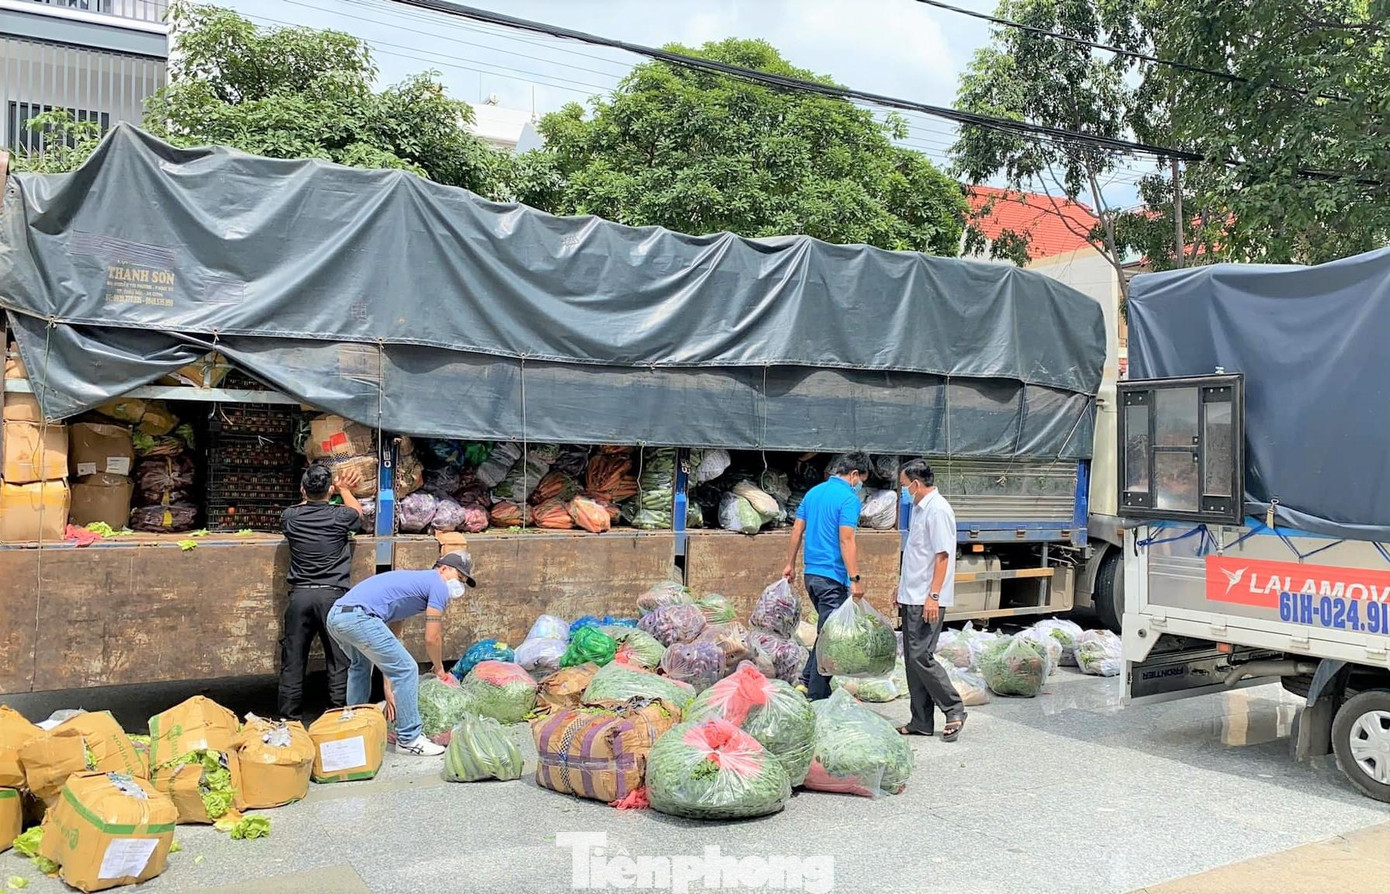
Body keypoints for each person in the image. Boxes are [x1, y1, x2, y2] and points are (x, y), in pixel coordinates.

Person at [325, 551, 478, 756]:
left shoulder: (414, 584)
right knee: (407, 669)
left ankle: (356, 726)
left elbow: (389, 644)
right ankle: (409, 739)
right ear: (443, 569)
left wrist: (389, 689)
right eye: (459, 578)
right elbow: (432, 637)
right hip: (359, 617)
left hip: (337, 616)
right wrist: (440, 669)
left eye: (464, 582)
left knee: (360, 666)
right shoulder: (438, 585)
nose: (459, 586)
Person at [276, 463, 364, 723]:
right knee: (338, 659)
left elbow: (304, 506)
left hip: (300, 596)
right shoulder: (340, 516)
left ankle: (289, 720)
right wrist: (345, 490)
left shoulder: (289, 516)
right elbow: (357, 514)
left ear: (302, 490)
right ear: (330, 491)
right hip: (332, 597)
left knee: (293, 659)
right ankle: (336, 715)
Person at [781, 451, 870, 700]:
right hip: (832, 577)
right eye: (861, 478)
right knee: (831, 638)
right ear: (854, 475)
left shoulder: (813, 493)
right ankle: (815, 695)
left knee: (826, 631)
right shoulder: (848, 500)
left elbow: (797, 531)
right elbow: (846, 539)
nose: (860, 484)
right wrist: (855, 579)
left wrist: (790, 564)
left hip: (812, 575)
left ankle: (807, 681)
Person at [896, 458, 966, 741]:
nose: (902, 491)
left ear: (915, 483)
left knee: (921, 657)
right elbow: (916, 554)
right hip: (911, 594)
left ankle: (954, 708)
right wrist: (900, 588)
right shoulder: (918, 508)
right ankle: (921, 721)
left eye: (903, 486)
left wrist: (933, 596)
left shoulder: (938, 510)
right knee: (913, 660)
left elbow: (942, 556)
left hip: (926, 596)